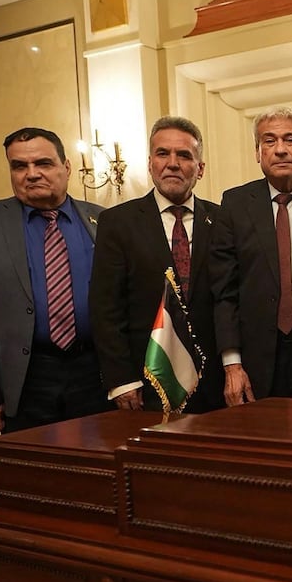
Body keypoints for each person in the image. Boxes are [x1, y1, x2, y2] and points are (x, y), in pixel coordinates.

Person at [90, 116, 224, 414]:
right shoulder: (117, 223)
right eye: (163, 154)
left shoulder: (222, 220)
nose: (172, 163)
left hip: (214, 385)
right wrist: (122, 381)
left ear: (200, 169)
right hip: (147, 383)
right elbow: (105, 308)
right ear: (150, 163)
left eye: (184, 155)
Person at [0, 127, 108, 434]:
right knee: (30, 474)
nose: (32, 174)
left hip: (95, 372)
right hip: (23, 377)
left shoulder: (104, 220)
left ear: (66, 167)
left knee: (99, 469)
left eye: (43, 163)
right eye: (19, 166)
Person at [211, 107, 292, 405]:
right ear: (257, 152)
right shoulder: (235, 204)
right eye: (269, 141)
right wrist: (232, 363)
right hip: (260, 360)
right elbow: (224, 291)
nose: (280, 150)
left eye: (290, 139)